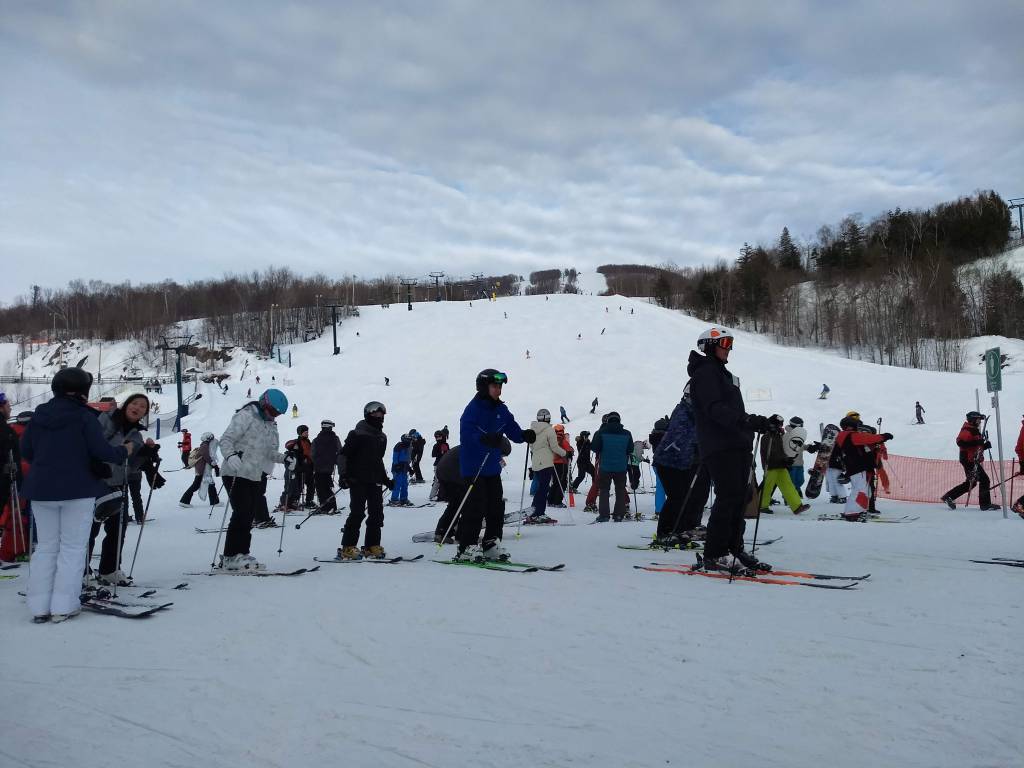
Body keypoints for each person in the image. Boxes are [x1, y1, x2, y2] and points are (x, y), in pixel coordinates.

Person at [21, 369, 131, 622]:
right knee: (72, 548)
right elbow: (102, 451)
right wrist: (124, 450)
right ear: (83, 391)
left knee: (46, 547)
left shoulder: (39, 416)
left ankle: (39, 606)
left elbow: (26, 450)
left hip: (41, 489)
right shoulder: (84, 416)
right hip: (77, 490)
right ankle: (63, 605)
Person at [688, 327, 772, 573]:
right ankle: (715, 553)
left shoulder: (723, 374)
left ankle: (734, 548)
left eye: (730, 344)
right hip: (719, 445)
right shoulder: (705, 373)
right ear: (709, 346)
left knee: (740, 498)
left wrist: (759, 422)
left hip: (736, 444)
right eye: (724, 344)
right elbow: (714, 409)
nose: (729, 349)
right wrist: (746, 421)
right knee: (728, 497)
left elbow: (733, 412)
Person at [454, 370, 534, 561]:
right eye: (494, 386)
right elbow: (467, 434)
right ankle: (466, 547)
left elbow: (512, 429)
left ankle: (491, 543)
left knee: (496, 507)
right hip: (474, 467)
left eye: (500, 386)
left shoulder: (501, 409)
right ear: (484, 387)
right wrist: (483, 438)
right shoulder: (473, 409)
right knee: (476, 506)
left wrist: (523, 435)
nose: (498, 390)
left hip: (491, 468)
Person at [88, 394, 159, 586]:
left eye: (142, 407)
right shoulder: (106, 419)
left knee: (118, 528)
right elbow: (92, 443)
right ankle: (81, 568)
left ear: (144, 413)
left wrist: (146, 454)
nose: (137, 408)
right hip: (94, 481)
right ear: (126, 404)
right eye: (134, 403)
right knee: (89, 528)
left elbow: (131, 466)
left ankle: (109, 570)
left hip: (118, 483)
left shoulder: (136, 436)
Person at [218, 389, 289, 570]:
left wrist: (285, 459)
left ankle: (242, 554)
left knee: (249, 515)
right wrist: (230, 455)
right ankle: (230, 557)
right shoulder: (246, 415)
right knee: (241, 512)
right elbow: (226, 440)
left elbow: (269, 452)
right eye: (272, 411)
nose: (273, 416)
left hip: (255, 474)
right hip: (235, 471)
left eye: (277, 414)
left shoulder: (270, 425)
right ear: (264, 403)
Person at [652, 387, 710, 545]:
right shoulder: (683, 412)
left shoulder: (693, 412)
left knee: (687, 496)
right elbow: (684, 435)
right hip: (669, 462)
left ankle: (681, 528)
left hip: (681, 463)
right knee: (676, 497)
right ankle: (664, 532)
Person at [337, 402, 393, 559]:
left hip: (375, 480)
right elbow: (343, 455)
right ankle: (348, 547)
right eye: (376, 414)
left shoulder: (382, 437)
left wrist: (386, 479)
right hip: (357, 480)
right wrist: (344, 475)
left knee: (377, 514)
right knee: (357, 513)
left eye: (381, 414)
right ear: (368, 415)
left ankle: (371, 546)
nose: (379, 417)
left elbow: (378, 460)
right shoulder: (357, 434)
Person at [835, 414, 893, 520]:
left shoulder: (844, 436)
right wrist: (883, 436)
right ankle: (852, 512)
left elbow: (865, 443)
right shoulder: (851, 435)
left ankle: (859, 510)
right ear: (851, 425)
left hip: (855, 466)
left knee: (863, 490)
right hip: (858, 466)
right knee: (859, 489)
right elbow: (868, 438)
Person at [941, 411, 999, 511]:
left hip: (971, 459)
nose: (979, 422)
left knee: (971, 482)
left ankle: (948, 496)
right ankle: (985, 504)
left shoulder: (974, 429)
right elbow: (961, 443)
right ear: (973, 420)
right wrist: (977, 442)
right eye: (978, 420)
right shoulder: (967, 429)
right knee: (984, 480)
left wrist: (984, 446)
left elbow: (974, 447)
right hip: (968, 460)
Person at [758, 414, 811, 515]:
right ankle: (762, 505)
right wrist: (782, 460)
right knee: (768, 486)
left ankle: (797, 506)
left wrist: (787, 459)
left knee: (788, 485)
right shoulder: (767, 437)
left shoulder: (778, 436)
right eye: (779, 425)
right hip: (771, 466)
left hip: (781, 466)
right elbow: (770, 453)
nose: (781, 427)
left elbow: (782, 451)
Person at [590, 412, 632, 522]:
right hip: (621, 467)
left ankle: (604, 515)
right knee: (620, 490)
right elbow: (630, 449)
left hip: (605, 467)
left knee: (604, 490)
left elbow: (594, 448)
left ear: (608, 420)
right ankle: (618, 515)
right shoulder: (627, 433)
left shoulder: (601, 432)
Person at [527, 408, 565, 523]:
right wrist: (564, 453)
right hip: (546, 462)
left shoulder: (532, 429)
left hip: (536, 462)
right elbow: (554, 447)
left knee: (541, 488)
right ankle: (537, 513)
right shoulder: (549, 430)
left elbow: (531, 446)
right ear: (548, 419)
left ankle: (536, 512)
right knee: (543, 489)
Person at [179, 432, 220, 507]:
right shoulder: (205, 445)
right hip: (203, 469)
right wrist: (213, 463)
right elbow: (206, 456)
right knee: (202, 484)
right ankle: (184, 501)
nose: (212, 439)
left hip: (202, 468)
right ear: (208, 438)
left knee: (203, 484)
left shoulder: (204, 445)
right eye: (211, 438)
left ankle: (184, 501)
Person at [311, 420, 342, 513]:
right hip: (329, 467)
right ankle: (332, 506)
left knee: (320, 488)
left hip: (318, 466)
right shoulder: (335, 438)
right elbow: (340, 452)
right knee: (327, 487)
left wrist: (315, 462)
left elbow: (312, 454)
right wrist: (336, 461)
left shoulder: (317, 439)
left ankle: (325, 507)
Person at [783, 416, 818, 496]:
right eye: (801, 426)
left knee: (800, 480)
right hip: (791, 464)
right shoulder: (787, 436)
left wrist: (809, 447)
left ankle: (796, 490)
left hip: (799, 463)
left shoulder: (797, 435)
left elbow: (800, 446)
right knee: (791, 482)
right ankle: (789, 497)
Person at [548, 424, 573, 508]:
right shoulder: (563, 440)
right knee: (562, 482)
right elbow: (568, 452)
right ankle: (557, 501)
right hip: (562, 463)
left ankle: (550, 500)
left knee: (556, 482)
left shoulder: (551, 440)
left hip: (553, 463)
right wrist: (570, 452)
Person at [389, 433, 413, 506]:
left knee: (404, 484)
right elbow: (395, 457)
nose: (409, 441)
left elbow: (406, 460)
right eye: (408, 440)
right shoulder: (398, 446)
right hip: (397, 469)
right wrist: (396, 465)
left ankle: (403, 499)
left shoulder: (408, 448)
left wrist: (409, 469)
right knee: (397, 484)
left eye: (410, 440)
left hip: (404, 469)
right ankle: (394, 499)